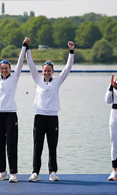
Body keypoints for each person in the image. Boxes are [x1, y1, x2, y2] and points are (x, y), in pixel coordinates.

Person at [26, 39, 75, 182]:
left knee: (52, 146)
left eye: (49, 70)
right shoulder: (37, 80)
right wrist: (27, 49)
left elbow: (68, 67)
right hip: (39, 116)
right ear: (42, 72)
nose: (47, 72)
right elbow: (30, 64)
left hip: (52, 117)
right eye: (45, 70)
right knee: (37, 146)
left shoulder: (58, 81)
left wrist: (71, 51)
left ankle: (52, 172)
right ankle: (35, 172)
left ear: (53, 72)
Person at [0, 34, 29, 183]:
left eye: (6, 68)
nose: (3, 70)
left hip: (10, 114)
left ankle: (13, 173)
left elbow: (21, 62)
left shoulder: (14, 77)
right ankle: (2, 171)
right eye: (2, 68)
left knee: (11, 144)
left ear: (10, 69)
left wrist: (24, 46)